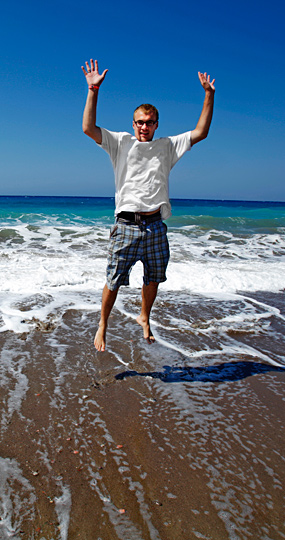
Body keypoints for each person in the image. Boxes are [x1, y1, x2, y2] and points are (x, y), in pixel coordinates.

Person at [82, 58, 215, 352]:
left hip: (155, 226)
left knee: (153, 278)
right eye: (140, 122)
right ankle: (103, 323)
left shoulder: (167, 146)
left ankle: (145, 316)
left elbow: (201, 132)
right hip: (126, 225)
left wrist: (209, 95)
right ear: (133, 124)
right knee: (113, 279)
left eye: (149, 122)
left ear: (156, 125)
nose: (144, 127)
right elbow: (88, 128)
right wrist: (93, 90)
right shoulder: (120, 142)